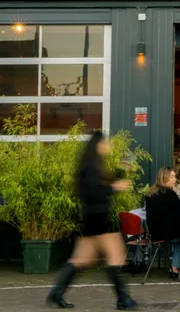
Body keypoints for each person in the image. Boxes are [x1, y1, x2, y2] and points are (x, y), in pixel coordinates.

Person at [46, 131, 137, 310]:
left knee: (81, 259)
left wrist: (116, 179)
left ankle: (56, 293)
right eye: (106, 143)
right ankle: (123, 298)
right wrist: (113, 188)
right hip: (98, 217)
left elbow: (94, 189)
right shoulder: (93, 168)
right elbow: (93, 193)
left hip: (91, 217)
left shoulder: (91, 166)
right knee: (115, 255)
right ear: (98, 145)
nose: (109, 146)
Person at [144, 166, 180, 279]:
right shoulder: (171, 195)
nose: (174, 180)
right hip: (170, 234)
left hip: (154, 234)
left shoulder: (149, 194)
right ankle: (175, 268)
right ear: (164, 177)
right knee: (179, 242)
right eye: (171, 177)